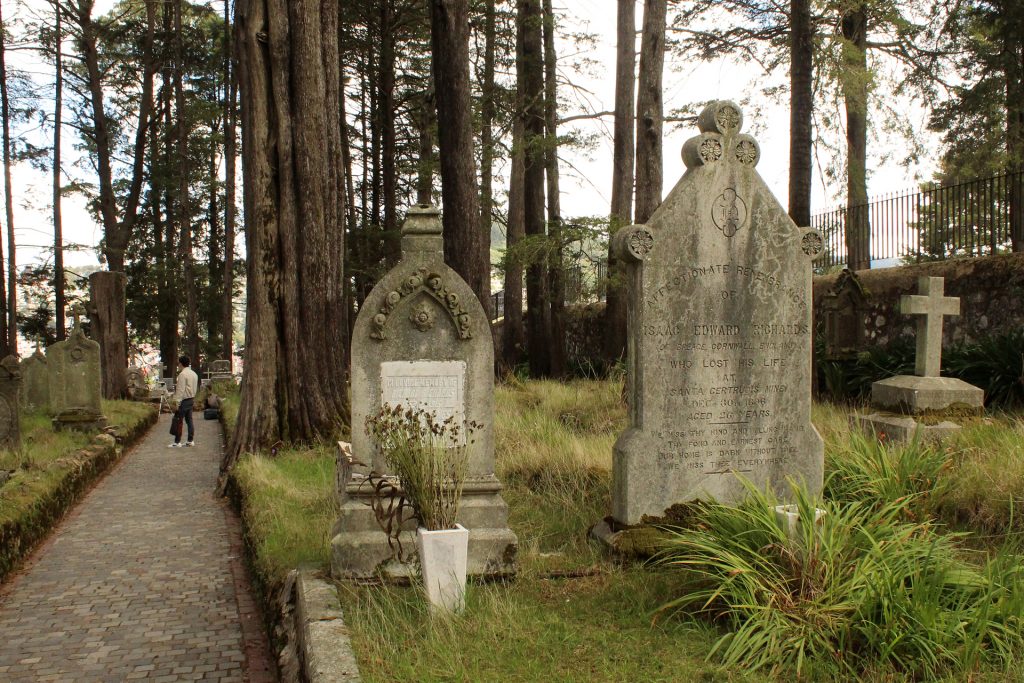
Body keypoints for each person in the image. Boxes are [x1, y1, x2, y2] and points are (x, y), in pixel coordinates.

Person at [169, 355, 200, 448]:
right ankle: (190, 440)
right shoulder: (194, 374)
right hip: (191, 399)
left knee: (179, 420)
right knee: (189, 420)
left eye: (178, 363)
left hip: (184, 400)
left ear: (181, 363)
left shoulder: (182, 374)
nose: (178, 365)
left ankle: (177, 441)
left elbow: (180, 390)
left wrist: (176, 402)